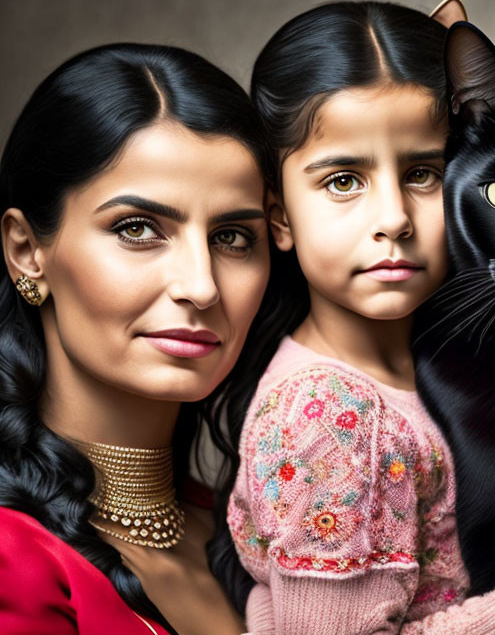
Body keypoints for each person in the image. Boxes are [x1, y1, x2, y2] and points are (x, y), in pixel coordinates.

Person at [223, 0, 495, 635]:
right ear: (279, 217)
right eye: (343, 181)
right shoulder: (331, 419)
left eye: (424, 173)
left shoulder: (446, 360)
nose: (394, 218)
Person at [0, 43, 288, 634]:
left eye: (233, 237)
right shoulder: (12, 557)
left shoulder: (258, 536)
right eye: (138, 229)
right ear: (27, 250)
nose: (202, 287)